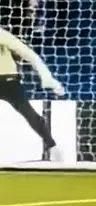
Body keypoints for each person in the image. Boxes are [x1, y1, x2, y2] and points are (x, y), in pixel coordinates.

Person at [0, 26, 64, 160]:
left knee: (28, 112)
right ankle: (53, 147)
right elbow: (29, 54)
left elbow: (28, 54)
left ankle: (53, 147)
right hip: (8, 79)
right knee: (28, 112)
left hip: (7, 80)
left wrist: (48, 78)